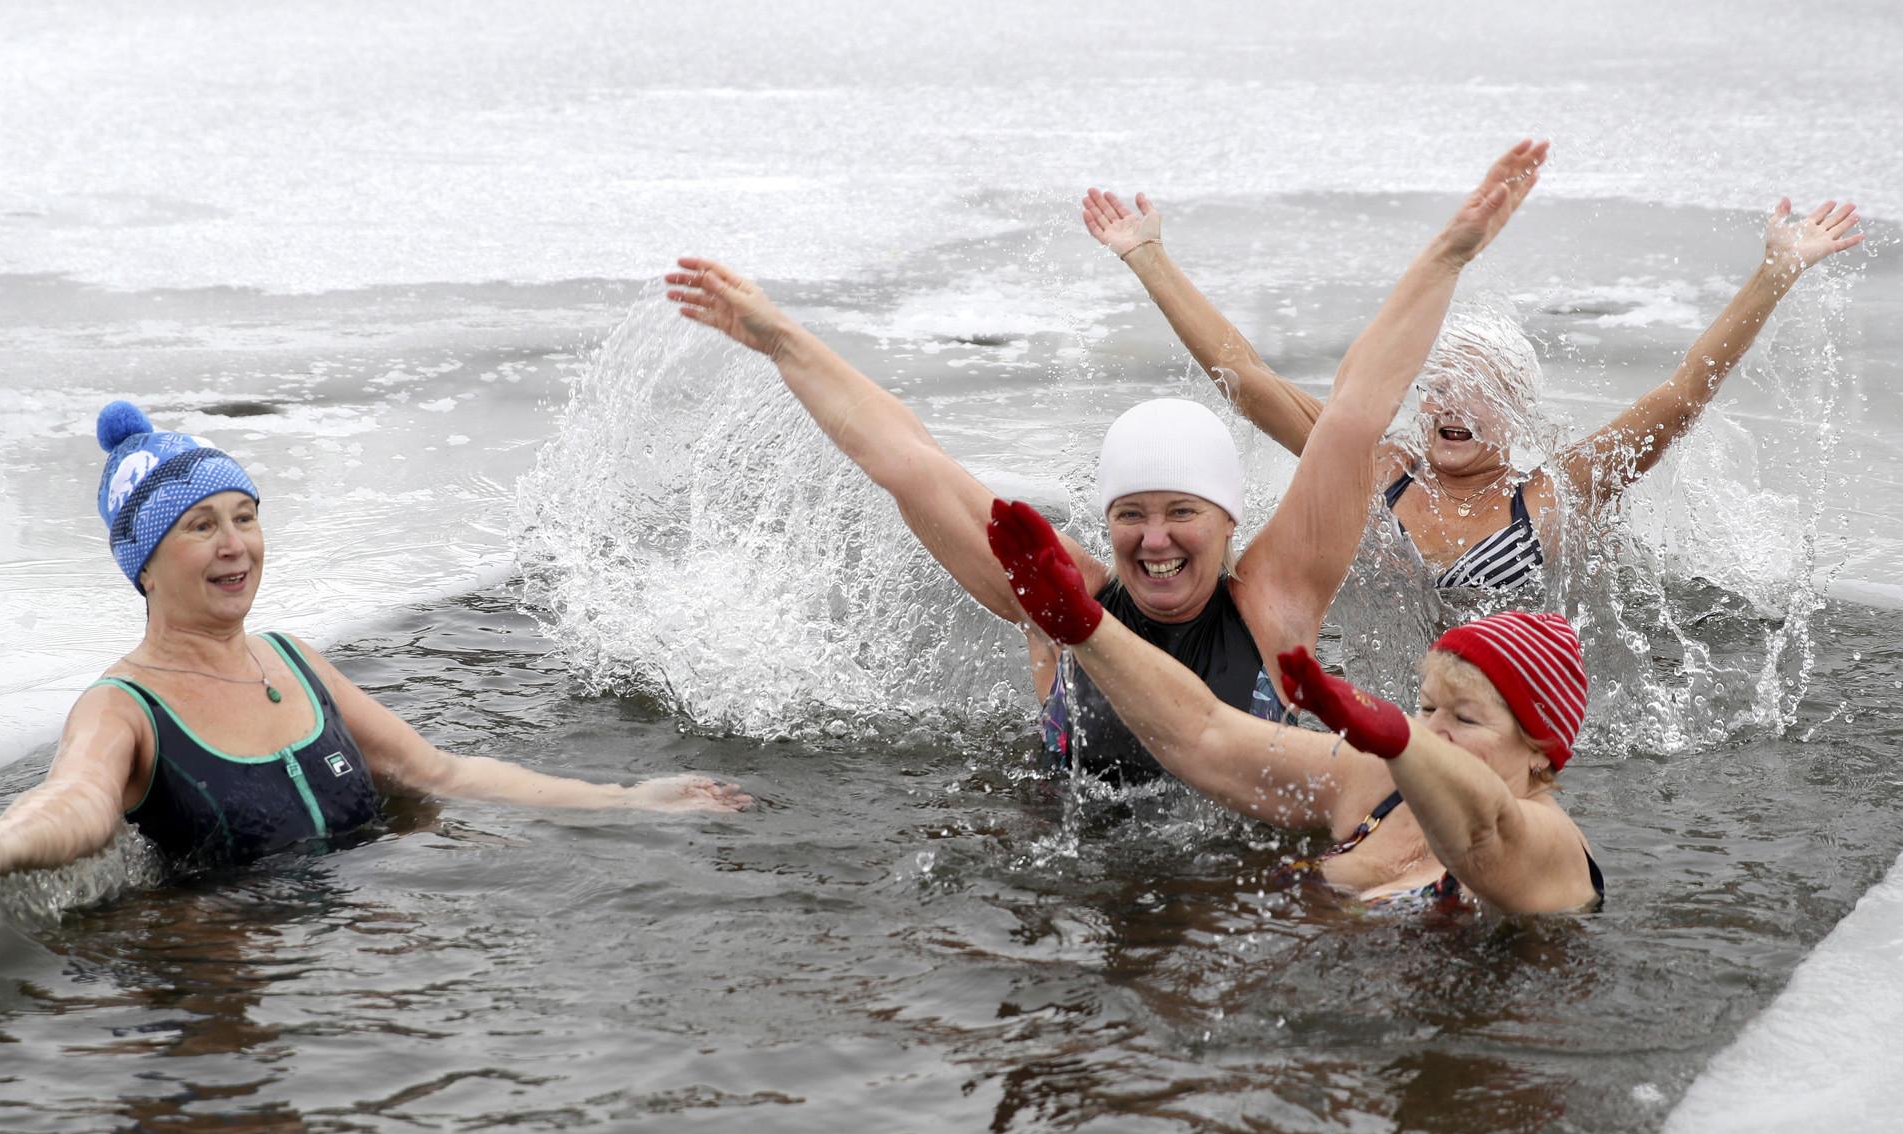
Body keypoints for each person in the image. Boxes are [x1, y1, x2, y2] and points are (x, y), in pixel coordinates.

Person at [669, 141, 1546, 781]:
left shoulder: (1276, 601)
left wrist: (1447, 256)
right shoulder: (1063, 601)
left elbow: (1356, 413)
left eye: (1180, 512)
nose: (1155, 540)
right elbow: (907, 461)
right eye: (1132, 514)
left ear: (1229, 521)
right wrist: (781, 340)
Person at [0, 402, 750, 896]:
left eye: (247, 518)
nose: (236, 545)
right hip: (217, 952)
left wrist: (628, 798)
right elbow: (75, 803)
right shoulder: (122, 707)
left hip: (353, 924)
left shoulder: (295, 660)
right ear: (144, 566)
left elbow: (440, 773)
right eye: (201, 527)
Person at [1082, 185, 1865, 596]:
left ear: (1518, 407)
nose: (1449, 403)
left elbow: (1685, 393)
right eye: (1438, 386)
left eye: (1479, 389)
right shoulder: (1375, 469)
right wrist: (1147, 256)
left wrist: (1776, 273)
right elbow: (1248, 381)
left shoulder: (1561, 492)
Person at [987, 498, 1600, 914]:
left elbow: (1484, 829)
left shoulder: (1553, 845)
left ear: (1543, 751)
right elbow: (1206, 736)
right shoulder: (1378, 779)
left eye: (1464, 719)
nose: (1433, 731)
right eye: (1425, 708)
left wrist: (1400, 740)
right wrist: (1088, 628)